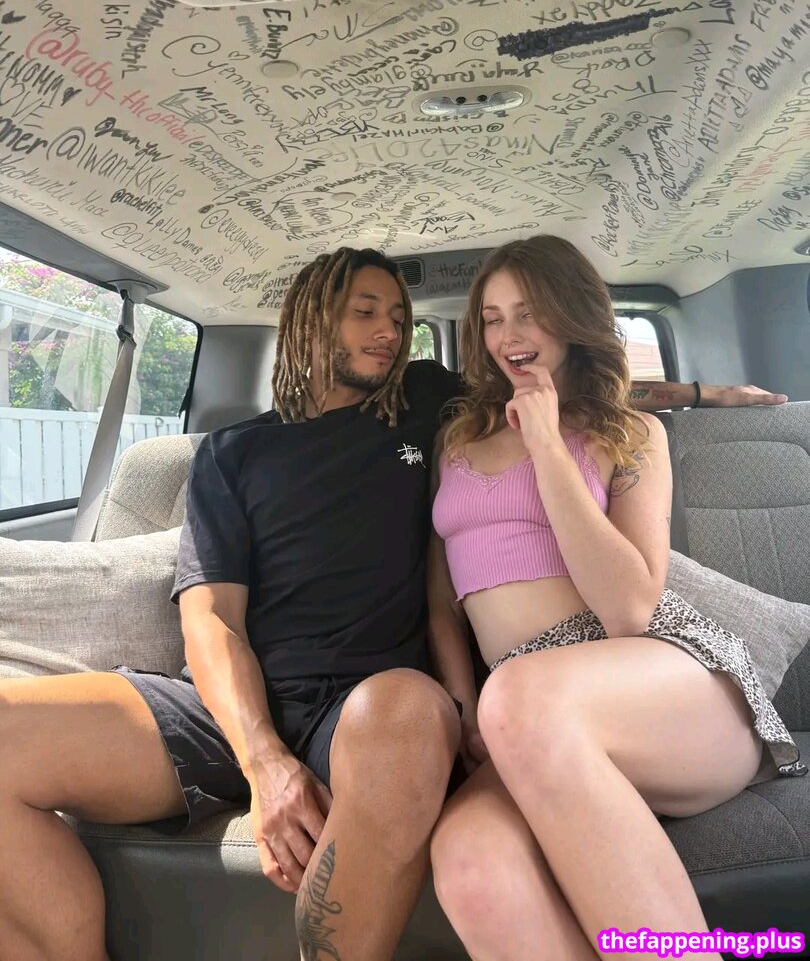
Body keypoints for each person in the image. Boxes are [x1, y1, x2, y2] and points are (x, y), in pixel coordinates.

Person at [0, 246, 791, 961]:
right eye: (366, 311)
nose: (390, 331)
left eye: (400, 317)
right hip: (238, 707)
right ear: (311, 318)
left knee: (409, 717)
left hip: (375, 705)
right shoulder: (230, 454)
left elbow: (556, 384)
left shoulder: (427, 402)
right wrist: (264, 760)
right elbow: (210, 619)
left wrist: (698, 392)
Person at [426, 236, 805, 961]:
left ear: (571, 317)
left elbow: (630, 609)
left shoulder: (631, 434)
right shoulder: (457, 438)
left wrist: (546, 446)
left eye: (529, 313)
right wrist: (462, 703)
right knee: (472, 862)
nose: (509, 335)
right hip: (525, 714)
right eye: (494, 319)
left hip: (658, 681)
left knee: (523, 698)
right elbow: (440, 593)